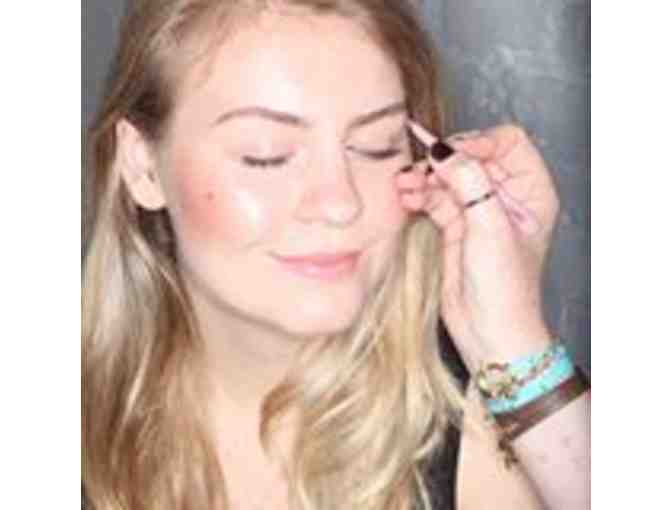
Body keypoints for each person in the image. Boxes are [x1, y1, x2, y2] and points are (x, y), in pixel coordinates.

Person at [82, 1, 590, 509]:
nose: (340, 203)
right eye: (267, 154)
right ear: (143, 167)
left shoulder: (479, 420)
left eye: (376, 146)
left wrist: (510, 338)